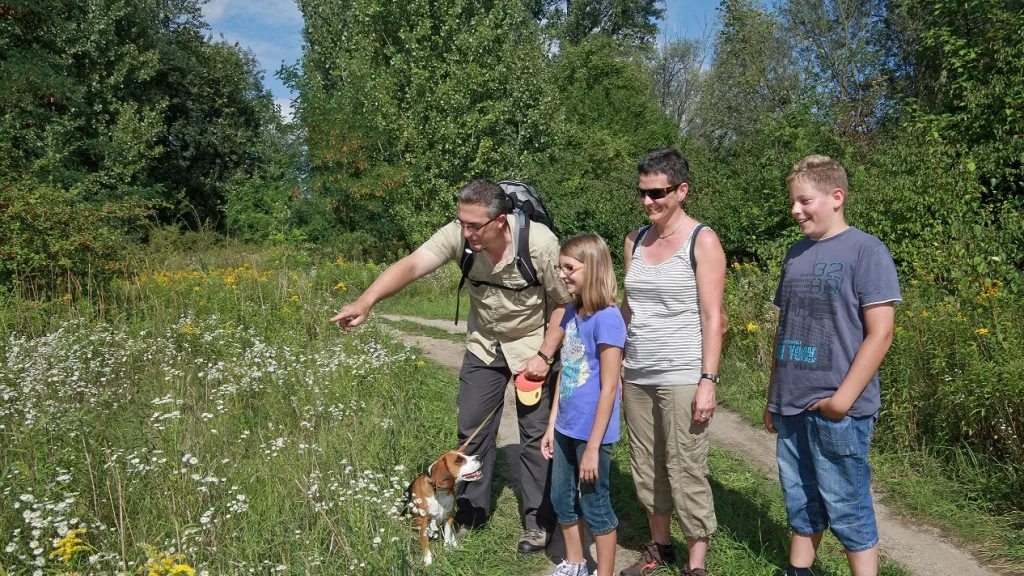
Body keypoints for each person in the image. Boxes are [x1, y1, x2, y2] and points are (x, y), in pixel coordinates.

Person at [330, 179, 573, 554]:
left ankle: (538, 523)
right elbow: (413, 264)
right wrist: (367, 301)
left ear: (500, 221)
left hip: (532, 345)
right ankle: (471, 515)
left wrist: (544, 354)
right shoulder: (460, 235)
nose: (466, 232)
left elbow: (565, 302)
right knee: (472, 430)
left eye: (474, 226)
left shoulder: (539, 243)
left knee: (535, 436)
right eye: (462, 223)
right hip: (484, 344)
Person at [764, 155, 901, 576]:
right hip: (791, 401)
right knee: (800, 497)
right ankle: (798, 569)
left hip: (839, 409)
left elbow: (881, 333)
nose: (795, 210)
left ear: (836, 197)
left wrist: (841, 401)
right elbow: (786, 327)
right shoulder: (795, 253)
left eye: (804, 201)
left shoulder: (867, 250)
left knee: (847, 505)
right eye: (792, 201)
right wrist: (773, 396)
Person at [619, 148, 726, 576]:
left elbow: (713, 316)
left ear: (681, 191)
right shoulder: (634, 240)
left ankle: (696, 564)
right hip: (636, 373)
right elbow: (628, 308)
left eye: (657, 193)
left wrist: (708, 379)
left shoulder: (703, 240)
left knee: (685, 466)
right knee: (646, 464)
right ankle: (659, 548)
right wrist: (615, 363)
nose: (648, 201)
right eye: (642, 192)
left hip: (683, 373)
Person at [540, 234, 626, 576]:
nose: (562, 275)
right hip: (565, 426)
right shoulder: (571, 312)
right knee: (561, 498)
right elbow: (566, 369)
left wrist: (592, 448)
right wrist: (551, 425)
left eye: (569, 268)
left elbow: (609, 388)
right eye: (560, 267)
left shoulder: (608, 318)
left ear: (593, 268)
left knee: (595, 505)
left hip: (592, 433)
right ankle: (576, 564)